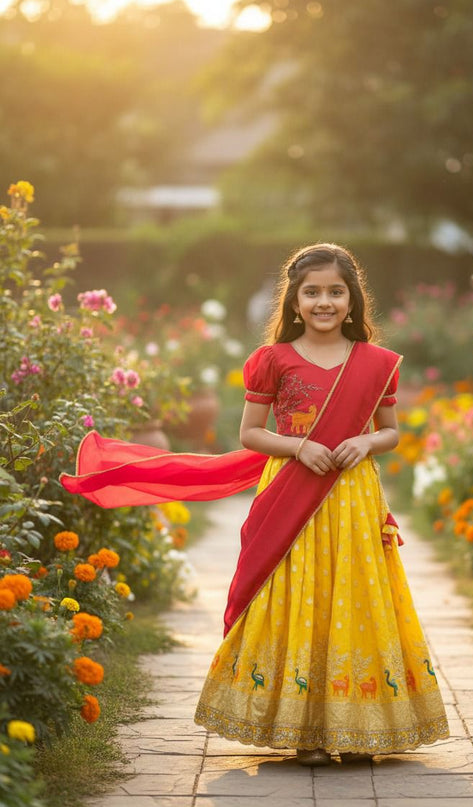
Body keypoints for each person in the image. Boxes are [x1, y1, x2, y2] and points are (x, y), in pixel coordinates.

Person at [60, 243, 449, 766]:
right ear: (293, 302)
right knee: (296, 592)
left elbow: (391, 433)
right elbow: (250, 434)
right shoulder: (273, 361)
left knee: (353, 593)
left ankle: (359, 728)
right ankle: (306, 732)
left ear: (353, 301)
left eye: (336, 291)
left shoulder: (377, 364)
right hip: (290, 488)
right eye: (312, 292)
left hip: (352, 496)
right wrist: (299, 446)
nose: (324, 302)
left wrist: (366, 443)